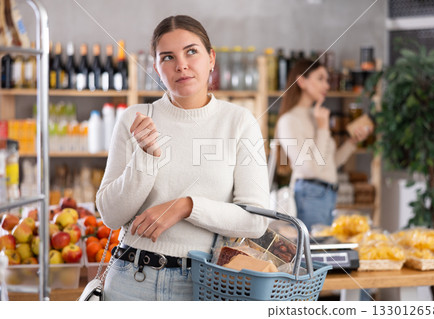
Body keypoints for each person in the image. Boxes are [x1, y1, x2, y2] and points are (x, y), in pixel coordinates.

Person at [96, 15, 270, 301]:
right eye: (168, 57)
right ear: (156, 68)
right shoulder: (136, 119)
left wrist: (186, 206)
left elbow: (255, 221)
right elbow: (111, 216)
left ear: (211, 58)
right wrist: (146, 155)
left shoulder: (239, 122)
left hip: (203, 284)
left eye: (192, 51)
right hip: (131, 279)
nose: (181, 65)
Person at [275, 59, 372, 231]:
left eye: (327, 80)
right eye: (320, 79)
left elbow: (330, 164)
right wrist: (322, 129)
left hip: (328, 194)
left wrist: (352, 142)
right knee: (315, 254)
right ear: (302, 81)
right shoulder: (289, 121)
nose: (326, 85)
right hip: (309, 195)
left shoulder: (316, 116)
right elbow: (311, 169)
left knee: (322, 252)